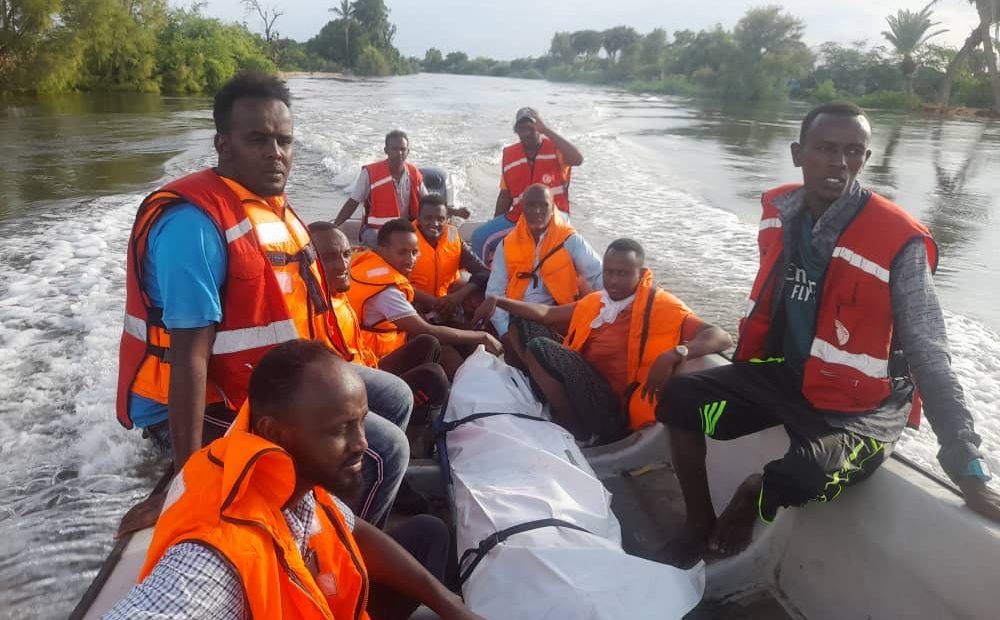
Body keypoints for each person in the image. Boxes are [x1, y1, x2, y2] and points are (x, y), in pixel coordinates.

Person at [655, 102, 1000, 568]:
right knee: (677, 396)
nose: (839, 162)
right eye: (826, 149)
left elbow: (930, 352)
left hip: (864, 406)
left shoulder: (898, 239)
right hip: (790, 378)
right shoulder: (781, 213)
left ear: (866, 158)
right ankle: (697, 522)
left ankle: (755, 492)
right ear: (799, 154)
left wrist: (967, 467)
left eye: (853, 151)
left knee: (801, 475)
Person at [115, 72, 411, 533]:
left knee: (396, 395)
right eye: (258, 139)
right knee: (386, 448)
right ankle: (322, 551)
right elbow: (189, 355)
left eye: (284, 141)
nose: (276, 153)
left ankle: (326, 509)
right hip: (212, 397)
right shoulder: (193, 226)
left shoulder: (271, 206)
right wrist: (188, 475)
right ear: (224, 144)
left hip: (260, 379)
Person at [104, 340, 484, 620]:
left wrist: (448, 604)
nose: (363, 444)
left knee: (429, 534)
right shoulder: (215, 560)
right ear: (277, 433)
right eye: (341, 430)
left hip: (317, 598)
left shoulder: (289, 480)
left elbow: (353, 529)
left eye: (361, 421)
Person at [476, 238, 731, 443]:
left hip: (612, 409)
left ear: (640, 273)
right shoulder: (598, 301)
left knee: (542, 348)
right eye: (608, 273)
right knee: (523, 324)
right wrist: (499, 301)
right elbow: (548, 315)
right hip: (581, 388)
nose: (614, 281)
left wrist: (676, 353)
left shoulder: (661, 305)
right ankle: (547, 404)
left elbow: (721, 336)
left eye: (622, 273)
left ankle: (579, 434)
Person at [310, 221, 450, 427]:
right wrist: (482, 336)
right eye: (328, 257)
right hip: (347, 390)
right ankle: (413, 435)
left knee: (427, 343)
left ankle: (417, 414)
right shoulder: (310, 306)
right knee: (434, 376)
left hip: (366, 365)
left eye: (346, 254)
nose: (342, 265)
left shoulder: (337, 294)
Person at [347, 218, 503, 376]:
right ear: (382, 249)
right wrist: (483, 336)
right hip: (372, 361)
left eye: (414, 252)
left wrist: (435, 302)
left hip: (375, 343)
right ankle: (466, 381)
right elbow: (426, 330)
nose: (410, 260)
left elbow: (409, 293)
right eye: (402, 252)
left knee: (450, 332)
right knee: (436, 349)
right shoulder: (387, 293)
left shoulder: (369, 266)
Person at [473, 184, 602, 366]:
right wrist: (505, 334)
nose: (537, 211)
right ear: (522, 208)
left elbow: (599, 276)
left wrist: (616, 306)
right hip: (519, 317)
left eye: (543, 205)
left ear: (553, 207)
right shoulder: (507, 245)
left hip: (559, 316)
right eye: (531, 205)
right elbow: (495, 292)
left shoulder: (570, 240)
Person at [471, 107, 583, 263]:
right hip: (520, 216)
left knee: (549, 245)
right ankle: (484, 279)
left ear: (539, 127)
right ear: (516, 130)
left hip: (554, 215)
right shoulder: (510, 155)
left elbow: (577, 159)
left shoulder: (556, 149)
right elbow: (505, 195)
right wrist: (495, 223)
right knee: (479, 237)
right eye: (522, 127)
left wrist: (546, 130)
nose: (527, 131)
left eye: (531, 126)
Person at [333, 130, 469, 247]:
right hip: (375, 231)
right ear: (386, 150)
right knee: (382, 243)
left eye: (403, 149)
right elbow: (352, 203)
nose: (399, 153)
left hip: (406, 229)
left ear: (408, 151)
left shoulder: (414, 173)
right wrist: (334, 226)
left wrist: (456, 212)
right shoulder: (370, 173)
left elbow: (429, 204)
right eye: (394, 149)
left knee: (433, 239)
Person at [411, 193, 491, 325]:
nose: (434, 224)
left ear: (447, 219)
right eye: (428, 218)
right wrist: (432, 301)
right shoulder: (405, 239)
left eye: (440, 218)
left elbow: (483, 272)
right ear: (418, 218)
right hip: (413, 304)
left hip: (447, 303)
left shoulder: (453, 237)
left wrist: (457, 297)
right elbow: (394, 282)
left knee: (485, 293)